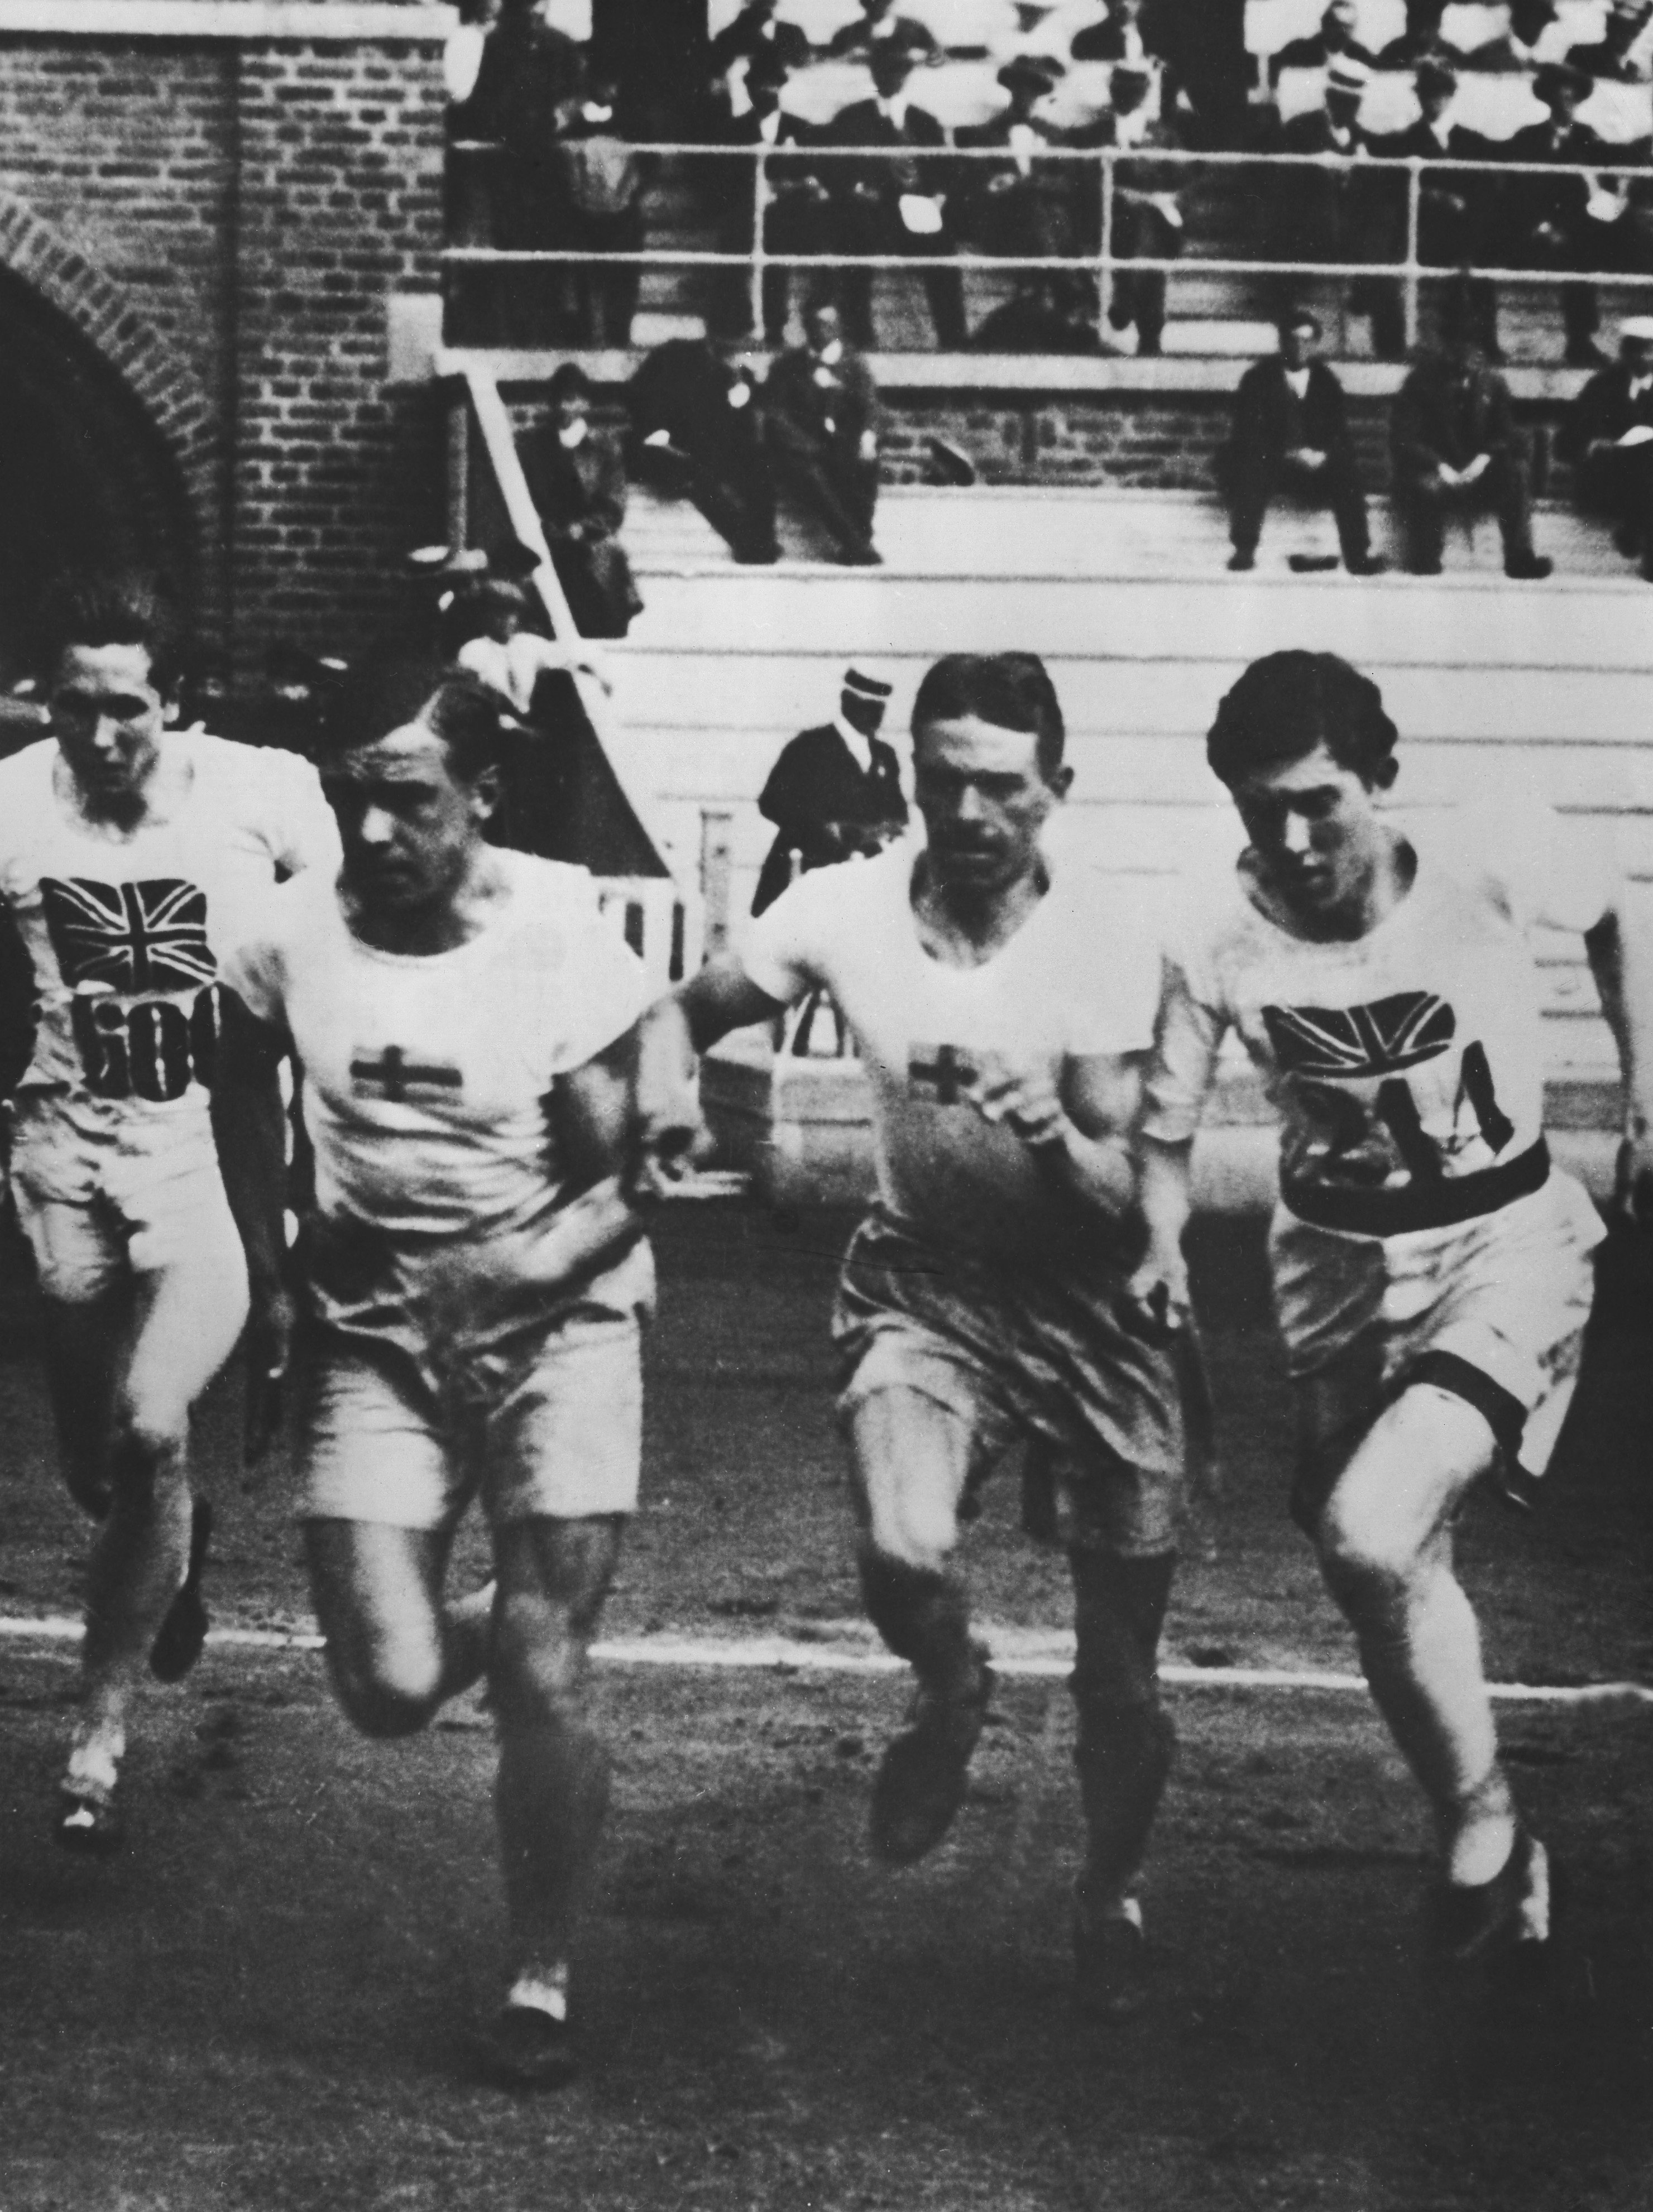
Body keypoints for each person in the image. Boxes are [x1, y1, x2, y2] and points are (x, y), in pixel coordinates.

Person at [647, 652, 1188, 2016]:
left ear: (1056, 788)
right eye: (941, 779)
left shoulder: (1105, 937)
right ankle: (952, 1686)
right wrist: (659, 1105)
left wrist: (1053, 1130)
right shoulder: (842, 906)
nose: (968, 811)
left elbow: (1128, 1200)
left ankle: (1109, 1892)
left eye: (1001, 785)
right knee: (903, 1545)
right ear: (906, 775)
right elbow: (682, 1013)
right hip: (925, 1281)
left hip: (1097, 1307)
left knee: (1120, 1679)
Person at [1137, 651, 1651, 1975]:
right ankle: (1489, 1826)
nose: (1294, 839)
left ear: (1380, 777)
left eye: (1320, 801)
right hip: (1331, 1270)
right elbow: (1164, 1128)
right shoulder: (1210, 928)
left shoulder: (1486, 856)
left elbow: (1616, 912)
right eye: (1261, 809)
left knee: (1371, 1530)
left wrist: (1644, 1097)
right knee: (1372, 1549)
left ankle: (1481, 1830)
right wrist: (1160, 1245)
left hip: (1503, 1240)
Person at [211, 658, 677, 2090]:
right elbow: (237, 1081)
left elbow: (633, 1179)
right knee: (390, 1685)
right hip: (372, 1329)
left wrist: (511, 1278)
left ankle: (540, 1973)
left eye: (408, 800)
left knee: (543, 1672)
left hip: (557, 1320)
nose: (374, 832)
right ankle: (501, 1621)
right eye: (351, 798)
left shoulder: (555, 936)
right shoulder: (285, 933)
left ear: (482, 794)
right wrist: (271, 1270)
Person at [0, 570, 338, 1853]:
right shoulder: (12, 803)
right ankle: (172, 1557)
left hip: (201, 1158)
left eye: (128, 708)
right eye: (75, 707)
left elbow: (348, 946)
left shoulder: (263, 794)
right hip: (60, 1155)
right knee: (100, 1465)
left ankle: (97, 1732)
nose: (101, 735)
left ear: (177, 702)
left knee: (153, 1424)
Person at [823, 39, 968, 351]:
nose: (891, 76)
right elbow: (835, 169)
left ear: (907, 74)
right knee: (853, 243)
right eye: (885, 69)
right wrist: (857, 190)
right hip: (870, 209)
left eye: (899, 69)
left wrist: (938, 197)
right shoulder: (852, 119)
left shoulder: (924, 121)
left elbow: (946, 170)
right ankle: (861, 339)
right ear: (874, 73)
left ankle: (954, 340)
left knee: (943, 250)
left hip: (916, 209)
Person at [1220, 309, 1384, 574]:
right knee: (1252, 468)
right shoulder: (1258, 379)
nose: (1300, 347)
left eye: (1307, 341)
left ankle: (1358, 555)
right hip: (1274, 463)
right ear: (1282, 341)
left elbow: (1339, 433)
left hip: (1313, 467)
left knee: (1346, 471)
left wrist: (1323, 455)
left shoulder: (1326, 381)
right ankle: (1244, 549)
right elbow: (1246, 433)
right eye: (1294, 339)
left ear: (1316, 344)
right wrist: (1288, 454)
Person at [1496, 61, 1626, 367]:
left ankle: (1580, 341)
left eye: (1572, 98)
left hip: (1575, 232)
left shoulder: (1589, 138)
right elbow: (1518, 191)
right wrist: (1541, 226)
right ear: (1549, 100)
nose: (1567, 105)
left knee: (1582, 253)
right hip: (1534, 231)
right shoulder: (1529, 139)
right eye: (1560, 98)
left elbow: (1607, 186)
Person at [1276, 58, 1407, 361]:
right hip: (1307, 232)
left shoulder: (1361, 138)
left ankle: (1391, 353)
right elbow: (1283, 183)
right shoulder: (1301, 130)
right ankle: (1367, 280)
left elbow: (1373, 196)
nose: (1348, 110)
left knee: (1384, 263)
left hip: (1350, 235)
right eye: (1342, 101)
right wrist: (1320, 166)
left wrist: (1359, 171)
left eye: (1353, 103)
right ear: (1329, 97)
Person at [1390, 335, 1553, 575]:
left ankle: (1520, 559)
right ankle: (1426, 560)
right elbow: (1405, 438)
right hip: (1438, 475)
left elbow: (1506, 433)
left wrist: (1483, 460)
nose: (1462, 383)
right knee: (1423, 486)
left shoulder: (1493, 383)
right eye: (1455, 378)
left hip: (1479, 477)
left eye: (1468, 376)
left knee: (1517, 472)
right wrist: (1440, 466)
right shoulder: (1419, 383)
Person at [751, 665, 907, 915]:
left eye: (879, 709)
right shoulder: (809, 747)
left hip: (861, 877)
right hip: (808, 868)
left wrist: (883, 831)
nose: (874, 716)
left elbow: (898, 814)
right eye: (866, 706)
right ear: (846, 701)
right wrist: (822, 830)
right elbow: (771, 802)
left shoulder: (884, 755)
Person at [703, 52, 827, 348]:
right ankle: (736, 326)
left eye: (771, 84)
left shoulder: (801, 129)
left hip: (791, 216)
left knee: (781, 240)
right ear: (748, 89)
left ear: (780, 87)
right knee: (736, 239)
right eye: (757, 85)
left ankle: (776, 327)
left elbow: (814, 179)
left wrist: (789, 188)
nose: (764, 91)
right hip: (747, 214)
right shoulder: (732, 131)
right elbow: (722, 184)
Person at [626, 336, 780, 564]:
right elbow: (642, 402)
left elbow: (740, 431)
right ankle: (749, 543)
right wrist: (657, 431)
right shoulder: (674, 358)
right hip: (664, 450)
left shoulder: (734, 376)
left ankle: (762, 540)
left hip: (708, 451)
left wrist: (740, 400)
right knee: (700, 478)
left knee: (759, 468)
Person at [522, 363, 644, 639]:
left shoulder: (604, 449)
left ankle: (603, 626)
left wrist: (583, 528)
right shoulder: (534, 447)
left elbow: (613, 507)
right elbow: (527, 497)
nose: (565, 407)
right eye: (560, 400)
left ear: (586, 403)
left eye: (572, 399)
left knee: (607, 556)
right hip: (548, 534)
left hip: (589, 536)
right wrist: (549, 527)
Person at [763, 297, 883, 563]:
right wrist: (809, 446)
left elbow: (869, 407)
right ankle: (853, 542)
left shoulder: (854, 365)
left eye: (828, 325)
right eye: (814, 325)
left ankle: (861, 538)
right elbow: (776, 415)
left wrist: (867, 437)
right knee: (806, 471)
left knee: (865, 462)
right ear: (806, 327)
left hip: (843, 446)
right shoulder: (787, 367)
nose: (821, 331)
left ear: (839, 326)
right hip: (805, 449)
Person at [1079, 61, 1186, 357]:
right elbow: (1085, 179)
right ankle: (1149, 334)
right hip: (1107, 217)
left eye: (1135, 90)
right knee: (1143, 235)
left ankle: (1126, 298)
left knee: (1146, 228)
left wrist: (1161, 199)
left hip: (1155, 218)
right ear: (1112, 91)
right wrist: (1118, 194)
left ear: (1145, 93)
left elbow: (1182, 181)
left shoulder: (1164, 136)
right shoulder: (1095, 134)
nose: (1127, 96)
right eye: (1121, 89)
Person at [1556, 311, 1653, 577]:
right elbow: (1568, 439)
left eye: (1650, 351)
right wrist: (1593, 442)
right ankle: (1636, 534)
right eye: (1637, 351)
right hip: (1608, 480)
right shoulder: (1602, 385)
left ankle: (1637, 535)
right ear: (1624, 353)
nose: (1645, 358)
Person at [1269, 0, 1378, 81]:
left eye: (1348, 27)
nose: (1342, 33)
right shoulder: (1298, 50)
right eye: (1337, 25)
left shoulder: (1361, 55)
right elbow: (1275, 69)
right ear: (1325, 24)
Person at [824, 0, 942, 65]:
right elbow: (833, 62)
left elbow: (938, 58)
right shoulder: (846, 34)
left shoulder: (916, 30)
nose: (876, 4)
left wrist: (917, 58)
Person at [1565, 0, 1653, 82]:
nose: (1621, 34)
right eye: (1617, 23)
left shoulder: (1638, 72)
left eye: (1631, 27)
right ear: (1609, 22)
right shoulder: (1580, 55)